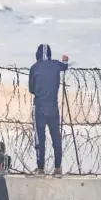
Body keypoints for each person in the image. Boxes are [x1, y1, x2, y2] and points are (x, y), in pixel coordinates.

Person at [28, 44, 69, 177]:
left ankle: (40, 169)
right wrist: (65, 60)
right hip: (53, 107)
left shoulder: (34, 68)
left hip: (39, 107)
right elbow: (65, 66)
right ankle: (57, 169)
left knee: (40, 138)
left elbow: (31, 89)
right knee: (56, 137)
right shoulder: (57, 65)